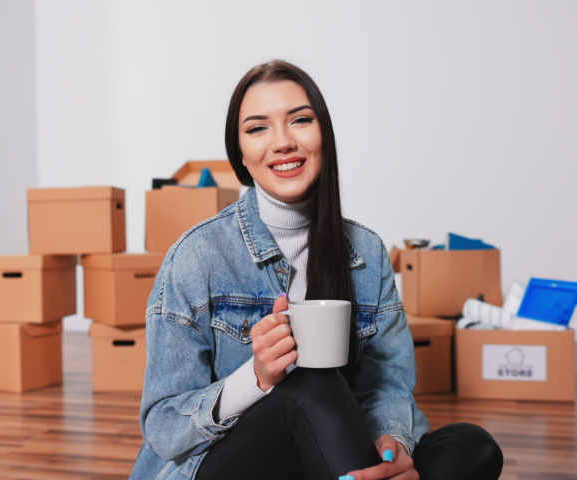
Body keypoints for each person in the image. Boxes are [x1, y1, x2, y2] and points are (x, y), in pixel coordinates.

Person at [129, 60, 504, 480]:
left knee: (472, 447)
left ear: (323, 134)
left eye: (300, 121)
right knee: (313, 383)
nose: (283, 142)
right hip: (219, 466)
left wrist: (391, 443)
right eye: (258, 128)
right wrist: (254, 378)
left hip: (327, 454)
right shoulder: (198, 256)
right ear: (240, 154)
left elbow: (388, 387)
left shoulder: (367, 253)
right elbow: (163, 426)